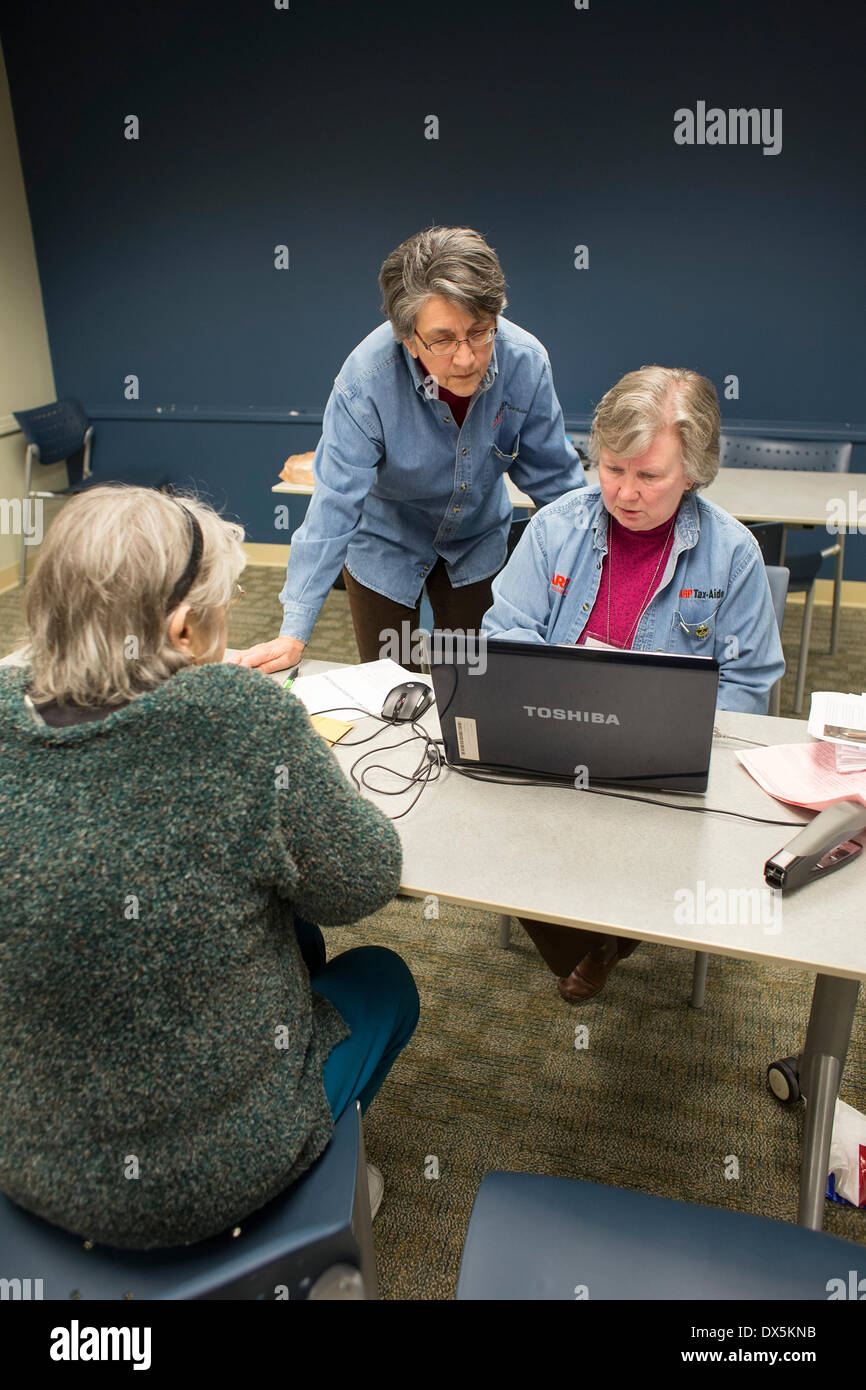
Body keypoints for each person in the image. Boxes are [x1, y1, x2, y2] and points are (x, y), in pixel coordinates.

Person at [0, 486, 418, 1249]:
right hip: (202, 1183)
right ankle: (327, 1187)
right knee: (386, 980)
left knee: (297, 940)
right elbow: (364, 879)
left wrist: (210, 704)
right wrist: (260, 730)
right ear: (185, 629)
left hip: (26, 1153)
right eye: (224, 608)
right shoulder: (244, 721)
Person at [481, 365, 785, 1004]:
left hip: (662, 767)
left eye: (649, 476)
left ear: (694, 472)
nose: (624, 492)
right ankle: (596, 938)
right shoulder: (556, 528)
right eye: (612, 468)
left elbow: (749, 683)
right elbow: (504, 635)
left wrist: (684, 747)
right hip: (556, 747)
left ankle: (606, 930)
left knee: (642, 847)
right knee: (488, 823)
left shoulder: (731, 555)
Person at [233, 225, 585, 675]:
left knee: (475, 682)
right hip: (386, 543)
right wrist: (294, 629)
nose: (466, 358)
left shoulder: (525, 362)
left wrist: (593, 578)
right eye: (441, 340)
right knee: (386, 685)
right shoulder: (365, 384)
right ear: (408, 336)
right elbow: (332, 509)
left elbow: (558, 486)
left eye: (480, 331)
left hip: (477, 541)